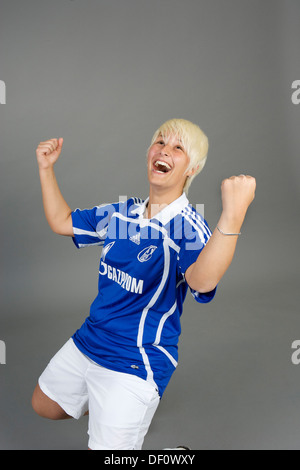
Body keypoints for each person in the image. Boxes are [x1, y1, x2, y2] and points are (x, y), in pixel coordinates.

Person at [32, 118, 256, 450]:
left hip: (136, 359)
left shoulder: (186, 227)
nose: (165, 150)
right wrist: (46, 168)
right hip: (91, 339)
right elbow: (62, 221)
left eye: (178, 147)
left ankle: (164, 446)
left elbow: (202, 281)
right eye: (160, 141)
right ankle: (118, 412)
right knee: (44, 404)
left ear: (192, 168)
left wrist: (232, 217)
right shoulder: (124, 214)